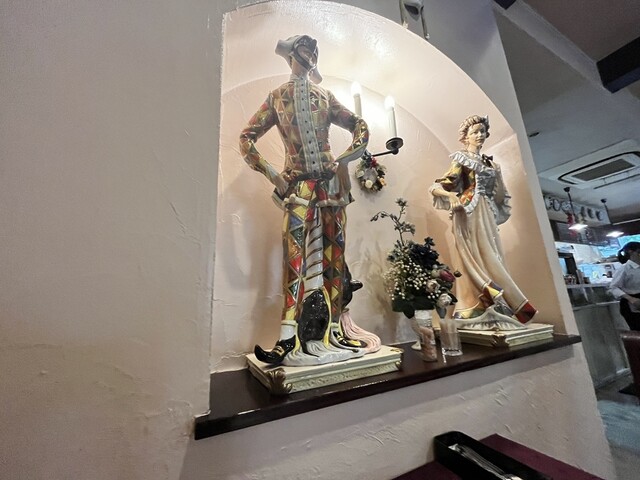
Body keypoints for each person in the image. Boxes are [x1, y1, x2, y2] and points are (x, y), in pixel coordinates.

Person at [239, 35, 370, 365]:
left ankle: (335, 330)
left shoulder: (325, 96)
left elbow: (359, 125)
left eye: (314, 49)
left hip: (331, 187)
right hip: (298, 186)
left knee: (335, 256)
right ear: (292, 55)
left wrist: (345, 159)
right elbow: (246, 138)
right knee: (293, 257)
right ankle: (287, 336)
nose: (311, 54)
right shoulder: (277, 97)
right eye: (305, 48)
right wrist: (273, 174)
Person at [429, 115, 537, 330]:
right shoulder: (461, 159)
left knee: (493, 253)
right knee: (473, 253)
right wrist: (451, 196)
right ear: (466, 137)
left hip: (486, 211)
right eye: (474, 132)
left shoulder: (491, 164)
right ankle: (475, 304)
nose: (479, 135)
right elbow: (440, 186)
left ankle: (500, 304)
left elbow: (499, 193)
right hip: (468, 212)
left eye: (482, 131)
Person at [610, 242, 640, 331]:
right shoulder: (625, 268)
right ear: (631, 252)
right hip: (631, 302)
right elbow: (614, 287)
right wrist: (631, 299)